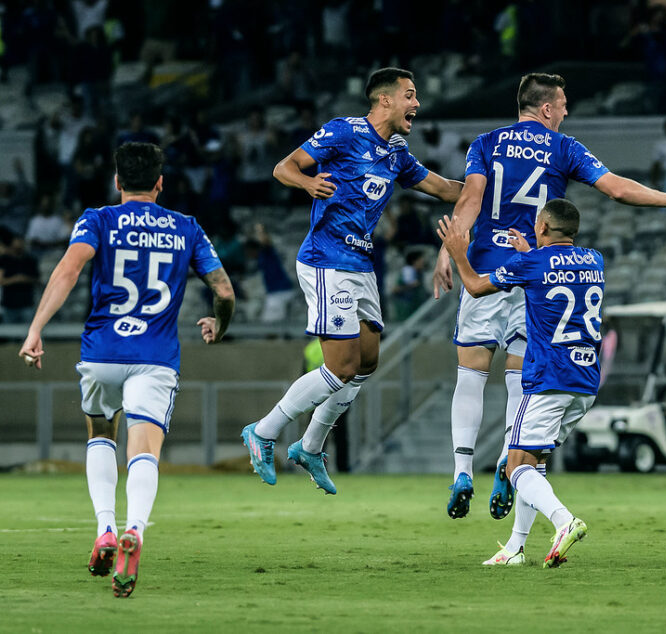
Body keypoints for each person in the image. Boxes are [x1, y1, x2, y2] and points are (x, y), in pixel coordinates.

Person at [432, 72, 666, 521]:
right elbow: (614, 187)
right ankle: (506, 460)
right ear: (548, 108)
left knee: (471, 374)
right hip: (533, 271)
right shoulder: (564, 148)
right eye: (564, 103)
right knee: (520, 376)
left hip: (485, 266)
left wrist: (447, 248)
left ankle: (462, 470)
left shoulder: (486, 142)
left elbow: (471, 201)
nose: (568, 111)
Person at [17, 142, 235, 597]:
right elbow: (225, 291)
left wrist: (36, 328)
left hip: (101, 353)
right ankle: (135, 528)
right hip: (154, 359)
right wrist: (220, 323)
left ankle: (105, 529)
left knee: (100, 432)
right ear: (160, 182)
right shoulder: (186, 228)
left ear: (117, 181)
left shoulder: (97, 219)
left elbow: (67, 271)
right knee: (144, 447)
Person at [241, 67, 462, 494]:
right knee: (339, 366)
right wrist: (307, 182)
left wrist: (491, 184)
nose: (416, 105)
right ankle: (264, 432)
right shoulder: (344, 132)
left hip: (361, 264)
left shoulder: (397, 153)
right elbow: (283, 168)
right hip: (326, 260)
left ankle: (309, 446)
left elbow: (444, 188)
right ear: (385, 100)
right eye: (410, 96)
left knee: (365, 363)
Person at [438, 198, 602, 568]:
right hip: (586, 380)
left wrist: (458, 253)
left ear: (542, 227)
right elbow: (555, 274)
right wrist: (532, 252)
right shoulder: (595, 260)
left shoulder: (532, 264)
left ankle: (564, 521)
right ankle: (515, 548)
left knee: (516, 466)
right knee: (534, 461)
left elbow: (476, 287)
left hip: (548, 378)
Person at [0, 234, 40, 323]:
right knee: (9, 332)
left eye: (21, 242)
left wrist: (25, 279)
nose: (19, 244)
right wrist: (16, 279)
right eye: (16, 242)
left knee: (28, 333)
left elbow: (37, 280)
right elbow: (1, 281)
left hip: (27, 302)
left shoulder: (31, 260)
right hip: (9, 303)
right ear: (11, 244)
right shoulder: (4, 260)